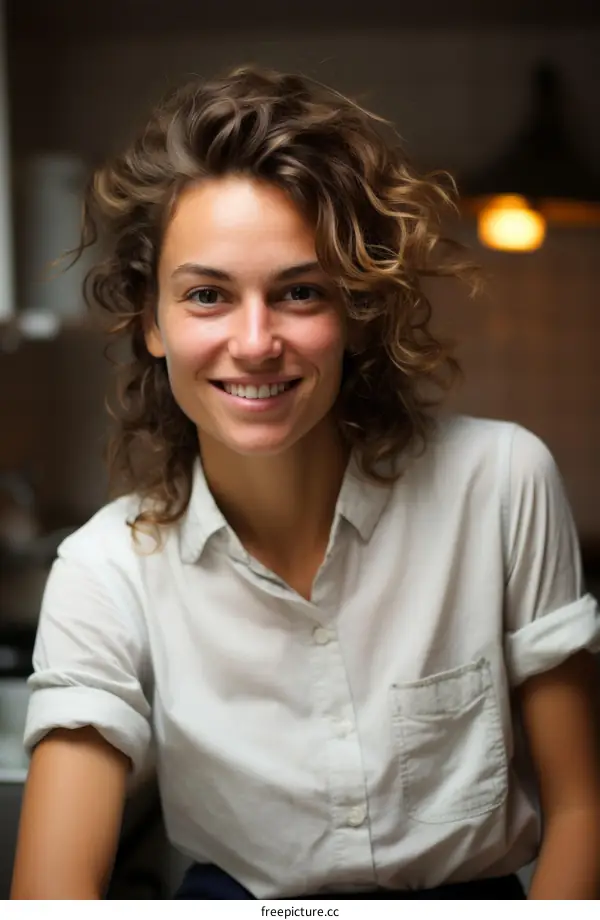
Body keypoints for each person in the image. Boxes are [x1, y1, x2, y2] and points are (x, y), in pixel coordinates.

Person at [11, 64, 600, 901]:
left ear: (356, 312)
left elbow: (582, 809)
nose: (255, 342)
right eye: (207, 295)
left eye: (298, 292)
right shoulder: (104, 570)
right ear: (151, 323)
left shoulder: (501, 483)